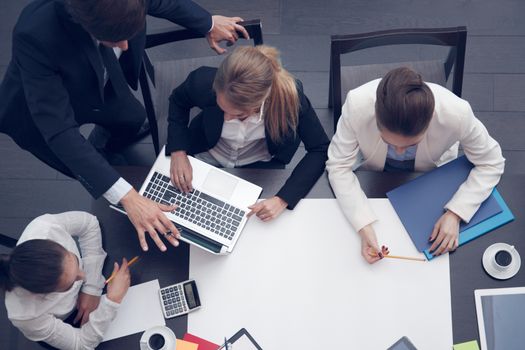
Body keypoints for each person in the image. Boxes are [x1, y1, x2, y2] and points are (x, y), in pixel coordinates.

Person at [0, 0, 250, 253]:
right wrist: (128, 197)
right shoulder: (34, 34)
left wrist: (207, 23)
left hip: (100, 81)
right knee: (82, 165)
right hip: (39, 115)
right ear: (83, 23)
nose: (125, 46)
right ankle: (101, 161)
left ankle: (102, 148)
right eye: (114, 40)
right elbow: (60, 131)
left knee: (132, 119)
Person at [326, 67, 505, 263]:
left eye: (411, 144)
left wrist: (456, 213)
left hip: (429, 175)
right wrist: (363, 225)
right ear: (376, 120)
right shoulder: (357, 105)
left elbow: (492, 162)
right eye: (391, 143)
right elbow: (338, 166)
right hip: (374, 174)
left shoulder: (457, 113)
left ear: (429, 123)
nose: (400, 152)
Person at [167, 45, 330, 221]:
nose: (227, 119)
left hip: (260, 168)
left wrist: (282, 199)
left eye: (238, 115)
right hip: (205, 156)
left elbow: (320, 149)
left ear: (261, 101)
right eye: (222, 109)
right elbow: (178, 101)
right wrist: (178, 151)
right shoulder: (202, 81)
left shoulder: (291, 98)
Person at [0, 211, 131, 349]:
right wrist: (111, 302)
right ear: (45, 294)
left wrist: (92, 287)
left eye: (74, 258)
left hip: (95, 290)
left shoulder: (45, 227)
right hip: (67, 323)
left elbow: (89, 224)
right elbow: (80, 344)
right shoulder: (26, 317)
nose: (83, 276)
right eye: (72, 282)